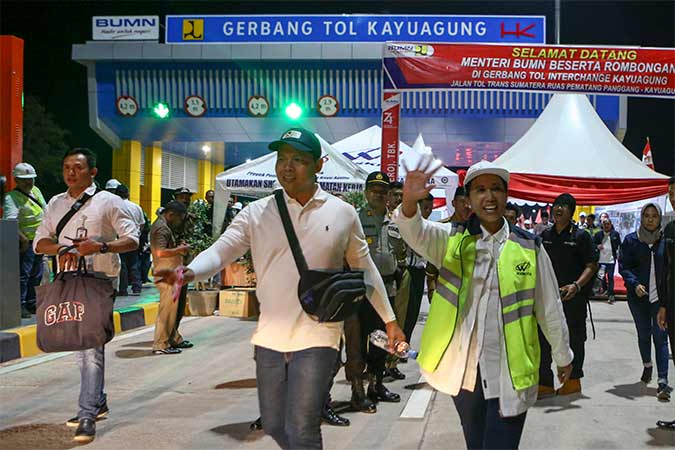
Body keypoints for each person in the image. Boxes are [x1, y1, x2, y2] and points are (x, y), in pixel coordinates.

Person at [154, 128, 404, 450]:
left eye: (298, 159)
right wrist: (188, 271)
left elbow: (365, 268)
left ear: (319, 165)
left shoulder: (342, 213)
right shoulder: (257, 213)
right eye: (282, 158)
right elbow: (221, 250)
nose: (287, 166)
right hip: (270, 339)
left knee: (302, 429)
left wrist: (390, 321)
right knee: (273, 423)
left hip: (319, 335)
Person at [393, 158, 572, 450]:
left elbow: (550, 308)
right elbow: (414, 231)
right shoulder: (450, 240)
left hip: (511, 371)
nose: (489, 197)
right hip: (464, 371)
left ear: (506, 195)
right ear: (469, 199)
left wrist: (562, 354)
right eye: (480, 190)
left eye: (496, 189)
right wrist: (409, 202)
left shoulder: (530, 247)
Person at [34, 148, 138, 443]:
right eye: (67, 166)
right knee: (80, 342)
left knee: (90, 344)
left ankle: (87, 414)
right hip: (67, 279)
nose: (70, 172)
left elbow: (132, 239)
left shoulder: (109, 202)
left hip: (100, 279)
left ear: (92, 172)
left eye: (78, 167)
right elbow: (40, 243)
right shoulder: (55, 203)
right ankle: (98, 400)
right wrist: (65, 249)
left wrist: (100, 247)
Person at [539, 193, 598, 397]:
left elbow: (591, 265)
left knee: (574, 338)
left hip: (573, 299)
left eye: (564, 206)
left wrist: (576, 286)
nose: (558, 209)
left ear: (571, 212)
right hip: (548, 298)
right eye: (556, 205)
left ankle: (573, 381)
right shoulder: (545, 236)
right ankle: (544, 383)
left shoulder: (581, 237)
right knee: (544, 337)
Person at [354, 171, 403, 402]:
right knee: (358, 341)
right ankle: (358, 390)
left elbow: (400, 252)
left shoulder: (395, 221)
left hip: (388, 289)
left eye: (382, 191)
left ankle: (377, 384)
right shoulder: (355, 219)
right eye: (373, 190)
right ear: (365, 193)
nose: (378, 194)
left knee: (382, 340)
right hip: (361, 291)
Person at [620, 203, 671, 401]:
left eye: (654, 216)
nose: (650, 219)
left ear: (659, 218)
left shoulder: (665, 241)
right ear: (641, 218)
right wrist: (634, 284)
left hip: (660, 300)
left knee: (661, 337)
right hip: (638, 299)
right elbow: (624, 266)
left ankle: (663, 381)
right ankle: (647, 366)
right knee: (643, 335)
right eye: (647, 215)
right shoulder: (631, 240)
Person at [3, 163, 46, 318]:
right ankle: (20, 304)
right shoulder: (11, 198)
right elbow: (10, 221)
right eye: (24, 180)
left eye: (31, 179)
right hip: (25, 243)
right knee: (24, 274)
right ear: (16, 180)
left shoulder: (36, 191)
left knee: (37, 273)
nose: (29, 182)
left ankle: (32, 302)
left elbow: (45, 211)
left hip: (39, 241)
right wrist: (23, 239)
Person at [150, 200, 193, 355]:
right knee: (167, 310)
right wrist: (180, 249)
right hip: (166, 273)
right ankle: (161, 344)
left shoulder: (165, 226)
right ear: (170, 215)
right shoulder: (161, 228)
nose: (180, 222)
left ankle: (173, 337)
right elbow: (159, 252)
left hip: (172, 271)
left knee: (174, 309)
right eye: (179, 218)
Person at [657, 176, 675, 428]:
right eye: (671, 193)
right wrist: (663, 304)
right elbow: (666, 270)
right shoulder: (670, 230)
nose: (673, 197)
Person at [114, 184, 145, 296]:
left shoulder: (115, 206)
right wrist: (137, 233)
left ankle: (123, 289)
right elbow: (142, 223)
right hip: (134, 238)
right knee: (134, 263)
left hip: (120, 238)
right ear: (128, 194)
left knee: (122, 264)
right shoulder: (136, 207)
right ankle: (137, 287)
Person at [593, 218, 621, 304]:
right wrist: (597, 246)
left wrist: (618, 254)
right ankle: (604, 289)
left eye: (608, 223)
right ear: (602, 225)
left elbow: (619, 245)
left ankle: (611, 294)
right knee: (601, 277)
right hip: (601, 260)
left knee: (611, 277)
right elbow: (592, 244)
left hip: (611, 260)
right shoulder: (598, 234)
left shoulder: (615, 234)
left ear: (610, 224)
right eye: (604, 223)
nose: (606, 225)